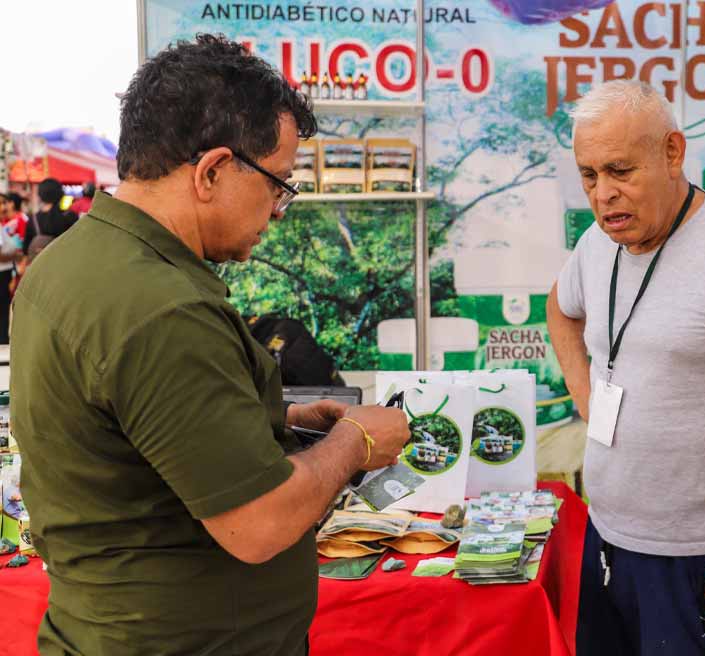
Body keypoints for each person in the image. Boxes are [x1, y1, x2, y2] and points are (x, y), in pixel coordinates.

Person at [10, 34, 411, 656]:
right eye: (278, 184)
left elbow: (133, 432)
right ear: (212, 171)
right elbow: (260, 523)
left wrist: (279, 419)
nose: (278, 210)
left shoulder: (69, 262)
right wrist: (354, 443)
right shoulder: (162, 306)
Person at [548, 80, 705, 656]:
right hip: (610, 540)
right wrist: (587, 398)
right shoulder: (598, 242)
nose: (603, 195)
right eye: (589, 175)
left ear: (672, 152)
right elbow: (560, 309)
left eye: (620, 170)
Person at [23, 177, 77, 259]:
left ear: (40, 195)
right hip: (65, 262)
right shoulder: (70, 216)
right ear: (60, 194)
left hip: (41, 267)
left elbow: (25, 249)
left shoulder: (33, 219)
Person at [0, 192, 27, 340]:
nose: (4, 207)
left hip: (5, 273)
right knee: (3, 315)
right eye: (1, 203)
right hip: (2, 274)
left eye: (5, 203)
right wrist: (16, 256)